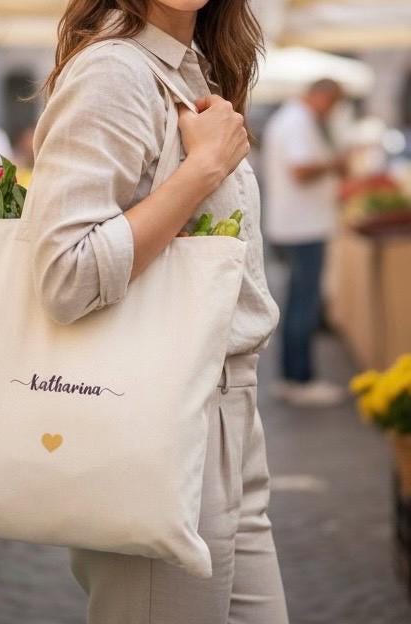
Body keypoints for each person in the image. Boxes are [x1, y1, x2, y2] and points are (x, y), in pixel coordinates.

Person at [25, 2, 288, 623]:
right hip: (158, 417)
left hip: (225, 411)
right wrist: (203, 169)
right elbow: (66, 274)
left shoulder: (189, 69)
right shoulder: (114, 72)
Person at [263, 79, 347, 407]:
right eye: (333, 104)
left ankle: (292, 377)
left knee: (299, 302)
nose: (332, 111)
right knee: (303, 305)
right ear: (321, 96)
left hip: (299, 225)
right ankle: (300, 379)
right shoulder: (297, 121)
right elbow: (300, 170)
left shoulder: (292, 119)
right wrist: (335, 163)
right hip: (303, 227)